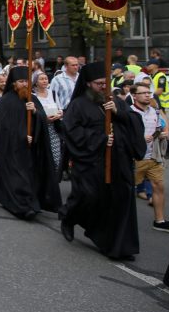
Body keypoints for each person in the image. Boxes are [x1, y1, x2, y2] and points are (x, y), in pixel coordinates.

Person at [59, 62, 145, 259]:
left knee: (121, 199)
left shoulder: (116, 101)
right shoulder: (78, 105)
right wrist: (99, 138)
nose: (104, 86)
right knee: (89, 197)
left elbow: (134, 121)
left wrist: (118, 112)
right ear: (88, 84)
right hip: (92, 162)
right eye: (99, 84)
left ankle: (118, 245)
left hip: (118, 162)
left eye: (105, 82)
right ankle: (69, 217)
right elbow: (71, 131)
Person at [130, 82, 169, 233]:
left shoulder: (154, 111)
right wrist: (139, 139)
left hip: (153, 157)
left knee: (158, 187)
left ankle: (159, 221)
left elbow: (162, 126)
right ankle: (121, 223)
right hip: (136, 159)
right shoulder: (129, 113)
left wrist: (163, 134)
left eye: (148, 92)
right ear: (134, 96)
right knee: (125, 191)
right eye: (143, 93)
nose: (148, 95)